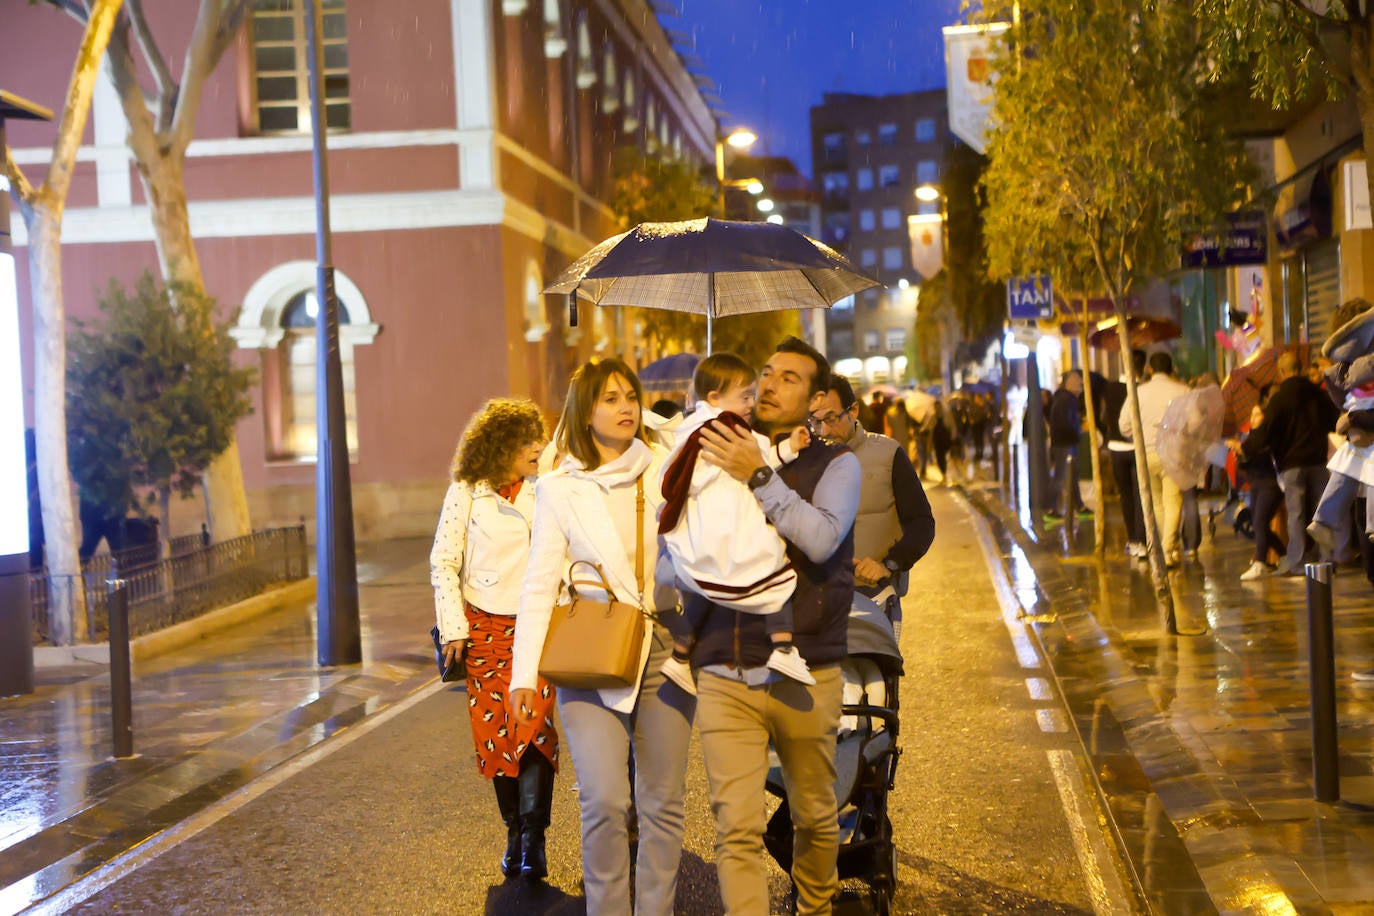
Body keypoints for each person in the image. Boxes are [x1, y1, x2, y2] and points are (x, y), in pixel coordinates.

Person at [508, 359, 691, 916]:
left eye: (630, 396)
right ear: (585, 411)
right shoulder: (559, 488)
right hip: (591, 652)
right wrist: (523, 675)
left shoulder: (667, 472)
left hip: (665, 650)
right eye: (610, 398)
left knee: (662, 803)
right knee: (605, 801)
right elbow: (539, 583)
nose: (626, 407)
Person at [688, 336, 861, 915]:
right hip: (725, 663)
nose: (769, 383)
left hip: (806, 667)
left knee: (815, 815)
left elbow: (820, 539)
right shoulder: (717, 451)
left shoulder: (837, 463)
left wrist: (760, 474)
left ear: (815, 399)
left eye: (789, 377)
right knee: (736, 828)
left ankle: (815, 906)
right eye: (765, 372)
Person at [430, 398, 556, 880]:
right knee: (496, 734)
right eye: (527, 441)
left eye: (539, 438)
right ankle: (513, 831)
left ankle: (535, 837)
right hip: (482, 628)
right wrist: (453, 628)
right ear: (501, 446)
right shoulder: (467, 491)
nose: (538, 447)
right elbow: (444, 561)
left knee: (535, 728)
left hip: (536, 626)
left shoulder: (547, 486)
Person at [658, 352, 811, 694]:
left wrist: (786, 448)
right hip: (730, 524)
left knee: (705, 589)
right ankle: (784, 648)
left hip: (707, 531)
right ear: (714, 398)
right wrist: (786, 449)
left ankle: (680, 656)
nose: (751, 403)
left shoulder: (694, 430)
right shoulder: (724, 429)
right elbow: (757, 461)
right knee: (776, 571)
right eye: (744, 396)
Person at [810, 375, 934, 723]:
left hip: (876, 598)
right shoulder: (803, 459)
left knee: (877, 684)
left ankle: (874, 748)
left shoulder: (888, 454)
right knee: (829, 689)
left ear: (853, 411)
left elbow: (922, 523)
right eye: (815, 421)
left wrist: (888, 564)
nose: (823, 429)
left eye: (831, 418)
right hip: (821, 598)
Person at [1240, 351, 1340, 574]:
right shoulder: (1317, 394)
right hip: (1318, 462)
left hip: (1292, 465)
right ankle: (1327, 559)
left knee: (1297, 514)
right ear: (1300, 368)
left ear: (1282, 371)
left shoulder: (1279, 399)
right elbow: (1333, 420)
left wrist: (1247, 447)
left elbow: (1266, 433)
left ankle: (1299, 561)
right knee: (1321, 512)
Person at [1121, 352, 1191, 566]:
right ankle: (1168, 549)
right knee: (1173, 501)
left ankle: (1168, 548)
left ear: (1150, 370)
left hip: (1147, 454)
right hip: (1174, 452)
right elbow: (1195, 423)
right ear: (1171, 369)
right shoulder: (1183, 391)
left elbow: (1124, 426)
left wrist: (1140, 433)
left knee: (1158, 503)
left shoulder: (1138, 392)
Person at [1229, 388, 1286, 580]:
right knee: (1258, 523)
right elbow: (1248, 465)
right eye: (1251, 415)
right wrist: (1241, 457)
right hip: (1257, 485)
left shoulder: (1267, 437)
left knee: (1260, 521)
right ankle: (1284, 556)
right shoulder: (1251, 438)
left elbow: (1266, 459)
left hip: (1270, 484)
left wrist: (1242, 449)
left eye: (1257, 414)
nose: (1252, 419)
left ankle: (1260, 562)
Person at [1106, 351, 1148, 558]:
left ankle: (1132, 539)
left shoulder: (1110, 389)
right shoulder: (1143, 390)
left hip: (1115, 447)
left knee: (1125, 495)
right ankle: (1141, 540)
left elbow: (1104, 416)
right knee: (1140, 495)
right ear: (1144, 367)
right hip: (1138, 448)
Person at [1046, 370, 1089, 523]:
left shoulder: (1064, 398)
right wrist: (1076, 433)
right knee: (1061, 476)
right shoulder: (1066, 399)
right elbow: (1065, 423)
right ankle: (1051, 509)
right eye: (1076, 380)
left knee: (1071, 476)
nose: (1080, 383)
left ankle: (1079, 506)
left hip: (1064, 443)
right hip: (1065, 444)